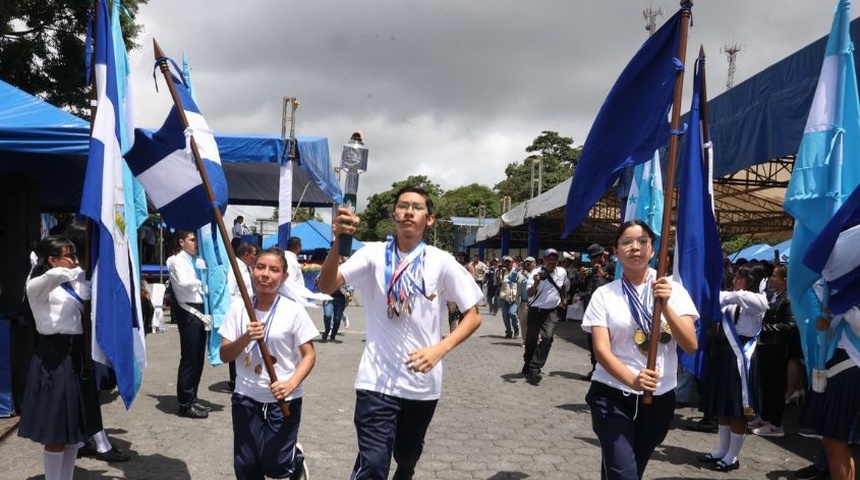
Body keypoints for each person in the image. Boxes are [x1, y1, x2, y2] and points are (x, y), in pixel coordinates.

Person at [318, 185, 483, 480]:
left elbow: (473, 316)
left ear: (429, 219)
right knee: (372, 464)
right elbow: (326, 285)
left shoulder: (441, 261)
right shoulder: (373, 255)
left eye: (417, 207)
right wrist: (337, 242)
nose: (409, 211)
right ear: (394, 215)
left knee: (406, 453)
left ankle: (406, 468)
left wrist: (439, 349)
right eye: (403, 206)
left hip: (422, 384)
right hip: (375, 382)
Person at [581, 220, 698, 480]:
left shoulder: (673, 290)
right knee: (624, 473)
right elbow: (601, 350)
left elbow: (690, 344)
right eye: (627, 242)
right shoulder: (604, 295)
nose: (635, 247)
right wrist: (632, 379)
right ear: (616, 251)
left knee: (632, 467)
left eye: (643, 241)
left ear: (653, 250)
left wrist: (665, 305)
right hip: (612, 394)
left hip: (660, 396)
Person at [219, 246, 317, 480]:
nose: (266, 274)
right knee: (247, 465)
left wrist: (290, 384)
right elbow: (225, 354)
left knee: (275, 464)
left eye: (274, 270)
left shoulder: (293, 310)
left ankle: (295, 460)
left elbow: (309, 355)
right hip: (246, 396)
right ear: (252, 270)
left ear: (283, 277)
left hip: (283, 397)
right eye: (260, 267)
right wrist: (246, 337)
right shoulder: (238, 308)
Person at [17, 236, 96, 480]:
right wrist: (72, 271)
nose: (74, 260)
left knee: (74, 434)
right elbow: (52, 276)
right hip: (53, 357)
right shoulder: (37, 284)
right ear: (51, 260)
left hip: (75, 357)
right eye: (69, 256)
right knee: (56, 434)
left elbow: (90, 292)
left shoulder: (73, 285)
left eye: (75, 255)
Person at [698, 264, 768, 472]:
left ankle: (733, 456)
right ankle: (722, 449)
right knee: (723, 405)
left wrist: (732, 294)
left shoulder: (759, 300)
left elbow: (745, 300)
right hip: (724, 355)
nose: (736, 281)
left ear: (752, 281)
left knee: (737, 408)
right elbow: (717, 299)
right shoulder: (732, 299)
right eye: (736, 278)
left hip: (742, 357)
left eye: (741, 278)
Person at [797, 304, 860, 480]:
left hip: (851, 372)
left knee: (835, 443)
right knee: (835, 443)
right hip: (840, 369)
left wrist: (841, 307)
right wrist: (825, 325)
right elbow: (836, 335)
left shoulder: (848, 304)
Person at [167, 230, 211, 419]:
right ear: (182, 242)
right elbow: (185, 283)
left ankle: (192, 397)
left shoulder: (195, 260)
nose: (196, 243)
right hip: (189, 310)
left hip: (199, 308)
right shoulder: (178, 260)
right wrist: (203, 282)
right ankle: (185, 403)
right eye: (192, 240)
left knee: (198, 357)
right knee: (190, 357)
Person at [748, 264, 795, 438]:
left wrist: (764, 328)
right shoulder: (774, 296)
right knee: (766, 385)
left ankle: (776, 423)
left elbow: (790, 326)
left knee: (775, 386)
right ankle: (765, 417)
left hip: (777, 348)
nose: (771, 279)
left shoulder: (788, 299)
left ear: (784, 280)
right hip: (766, 347)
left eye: (775, 276)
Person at [522, 248, 570, 384]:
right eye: (549, 259)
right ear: (543, 260)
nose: (552, 262)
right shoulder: (535, 272)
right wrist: (536, 282)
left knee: (547, 338)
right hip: (536, 310)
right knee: (531, 339)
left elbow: (564, 286)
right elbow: (530, 293)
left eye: (554, 259)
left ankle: (535, 367)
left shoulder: (562, 272)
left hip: (552, 311)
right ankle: (528, 361)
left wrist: (564, 299)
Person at [227, 241, 259, 391]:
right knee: (239, 343)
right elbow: (230, 292)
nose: (255, 257)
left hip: (250, 309)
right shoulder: (234, 269)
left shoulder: (247, 268)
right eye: (254, 254)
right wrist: (239, 308)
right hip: (240, 311)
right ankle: (235, 378)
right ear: (246, 254)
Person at [581, 243, 615, 379]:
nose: (594, 260)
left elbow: (619, 282)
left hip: (609, 311)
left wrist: (604, 275)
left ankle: (608, 371)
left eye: (596, 257)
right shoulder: (591, 270)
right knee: (592, 342)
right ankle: (595, 369)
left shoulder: (612, 267)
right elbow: (583, 288)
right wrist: (583, 276)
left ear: (603, 255)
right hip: (592, 311)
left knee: (607, 343)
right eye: (592, 258)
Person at [498, 256, 520, 339]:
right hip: (504, 297)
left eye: (509, 262)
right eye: (506, 262)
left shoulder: (517, 271)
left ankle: (516, 329)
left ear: (512, 262)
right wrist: (499, 271)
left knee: (512, 313)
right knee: (505, 315)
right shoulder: (503, 272)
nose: (507, 263)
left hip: (514, 297)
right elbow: (498, 283)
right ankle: (508, 331)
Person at [516, 257, 536, 344]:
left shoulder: (537, 273)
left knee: (534, 323)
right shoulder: (520, 273)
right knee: (523, 322)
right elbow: (512, 278)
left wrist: (527, 275)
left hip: (535, 302)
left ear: (534, 263)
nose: (528, 264)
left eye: (530, 263)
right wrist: (517, 268)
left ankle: (536, 340)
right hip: (523, 301)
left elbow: (534, 283)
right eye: (526, 263)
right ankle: (525, 340)